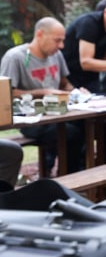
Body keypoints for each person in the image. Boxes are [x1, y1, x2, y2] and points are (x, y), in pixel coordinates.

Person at [0, 17, 86, 174]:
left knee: (92, 126)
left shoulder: (56, 55)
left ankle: (86, 176)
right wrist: (43, 92)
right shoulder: (15, 57)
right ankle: (68, 178)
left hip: (57, 113)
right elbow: (7, 94)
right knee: (71, 135)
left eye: (63, 41)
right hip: (31, 119)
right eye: (57, 40)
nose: (61, 46)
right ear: (40, 34)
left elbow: (64, 83)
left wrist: (75, 92)